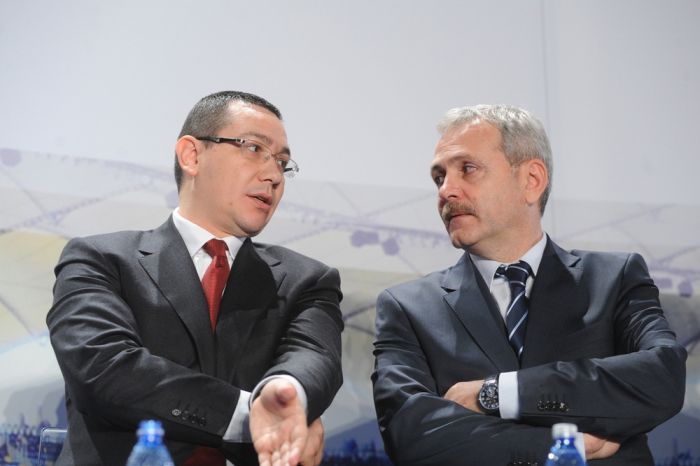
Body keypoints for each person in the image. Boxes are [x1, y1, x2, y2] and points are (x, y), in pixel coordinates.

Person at [371, 104, 686, 465]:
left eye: (467, 169)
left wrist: (498, 393)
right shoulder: (408, 307)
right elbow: (410, 431)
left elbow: (662, 377)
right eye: (439, 177)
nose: (446, 191)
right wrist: (565, 444)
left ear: (531, 180)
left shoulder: (614, 278)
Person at [47, 91, 343, 466]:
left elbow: (313, 359)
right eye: (254, 148)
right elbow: (105, 369)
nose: (273, 175)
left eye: (282, 163)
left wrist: (286, 396)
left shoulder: (308, 280)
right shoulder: (100, 259)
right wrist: (254, 417)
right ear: (192, 155)